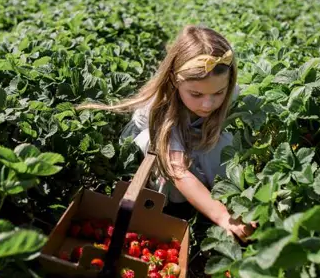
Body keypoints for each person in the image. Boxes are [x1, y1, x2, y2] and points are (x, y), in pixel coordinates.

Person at [77, 25, 256, 243]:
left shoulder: (227, 90)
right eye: (196, 94)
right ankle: (181, 208)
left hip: (195, 136)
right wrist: (221, 216)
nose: (208, 103)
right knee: (168, 170)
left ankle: (220, 196)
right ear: (174, 81)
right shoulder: (161, 108)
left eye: (218, 92)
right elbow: (177, 170)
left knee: (224, 145)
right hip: (159, 146)